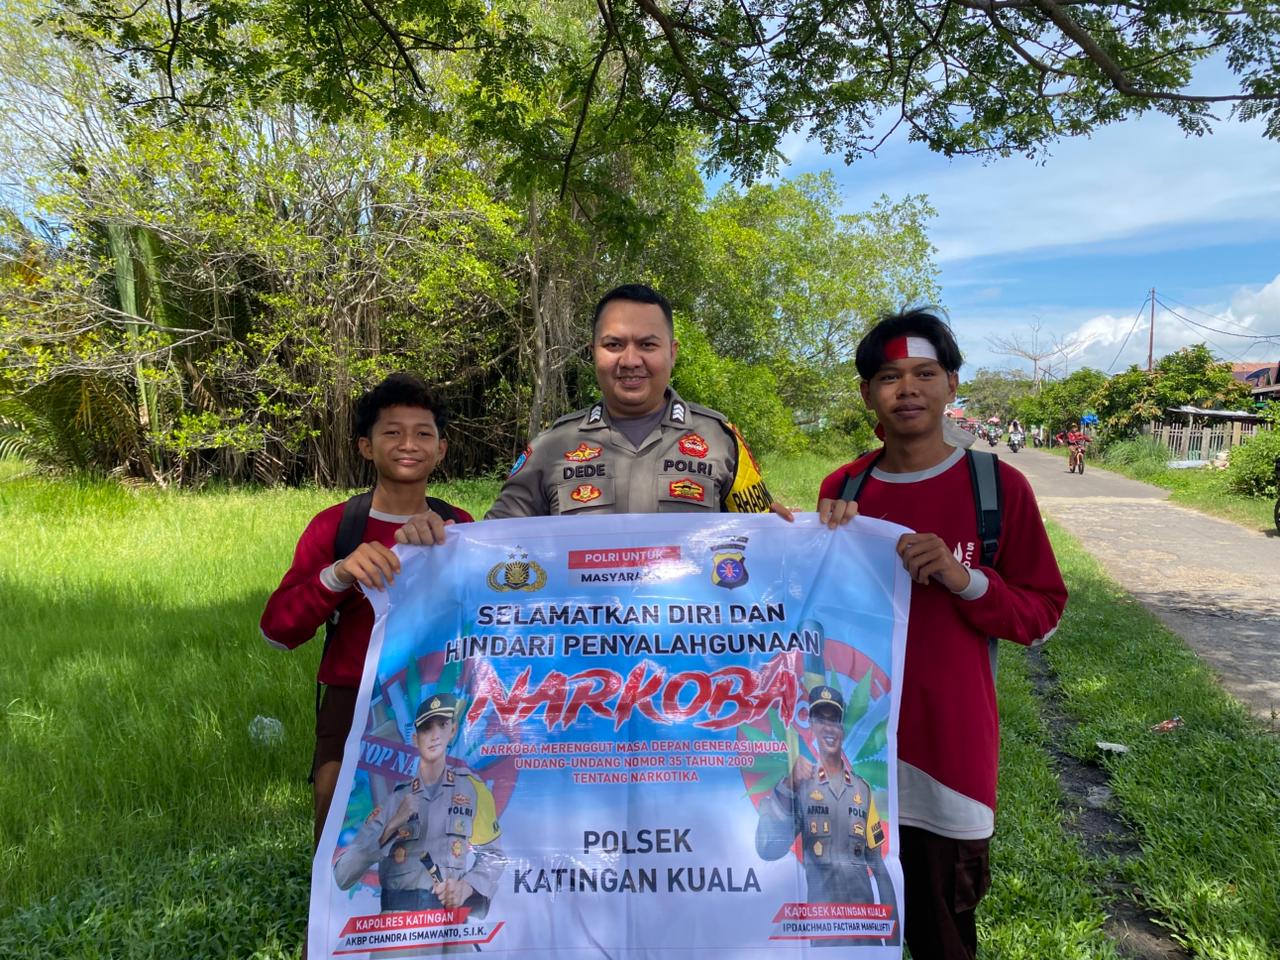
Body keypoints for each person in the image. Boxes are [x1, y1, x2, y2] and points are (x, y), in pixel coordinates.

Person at [815, 309, 1067, 960]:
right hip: (851, 764)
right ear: (867, 392)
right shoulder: (842, 490)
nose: (908, 388)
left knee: (943, 936)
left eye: (925, 373)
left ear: (953, 384)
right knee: (841, 934)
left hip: (948, 762)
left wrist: (966, 580)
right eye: (889, 376)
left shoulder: (997, 488)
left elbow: (1042, 612)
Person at [260, 374, 474, 845]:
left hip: (435, 696)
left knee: (437, 815)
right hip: (352, 694)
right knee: (335, 802)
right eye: (391, 432)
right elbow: (277, 631)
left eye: (423, 433)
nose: (408, 444)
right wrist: (337, 575)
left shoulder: (458, 527)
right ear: (365, 447)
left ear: (441, 449)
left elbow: (484, 619)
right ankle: (328, 918)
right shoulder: (336, 526)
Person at [482, 283, 786, 519]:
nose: (630, 360)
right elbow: (493, 542)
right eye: (613, 345)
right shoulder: (551, 447)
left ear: (672, 352)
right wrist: (440, 536)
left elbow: (759, 540)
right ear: (593, 352)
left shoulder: (721, 440)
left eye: (647, 345)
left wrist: (796, 533)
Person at [333, 693, 504, 917]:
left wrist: (468, 887)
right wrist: (392, 826)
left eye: (442, 725)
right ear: (415, 738)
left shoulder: (471, 791)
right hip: (397, 932)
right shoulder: (394, 799)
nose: (434, 736)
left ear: (452, 731)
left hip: (450, 929)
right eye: (426, 728)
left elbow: (494, 856)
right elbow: (343, 876)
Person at [756, 685, 899, 946]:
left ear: (842, 729)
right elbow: (768, 848)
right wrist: (787, 786)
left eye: (834, 720)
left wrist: (892, 940)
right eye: (821, 720)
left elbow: (879, 866)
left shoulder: (862, 790)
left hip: (865, 932)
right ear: (811, 727)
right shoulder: (799, 786)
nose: (828, 728)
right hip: (825, 934)